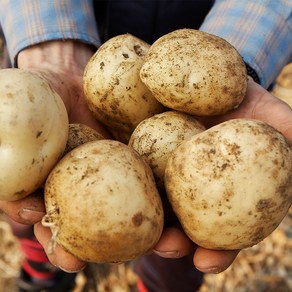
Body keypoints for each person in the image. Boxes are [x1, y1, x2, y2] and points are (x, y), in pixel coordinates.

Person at [0, 0, 291, 291]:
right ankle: (41, 265)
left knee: (175, 255)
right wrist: (51, 44)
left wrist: (237, 54)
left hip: (209, 36)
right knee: (30, 209)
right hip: (87, 35)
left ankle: (156, 285)